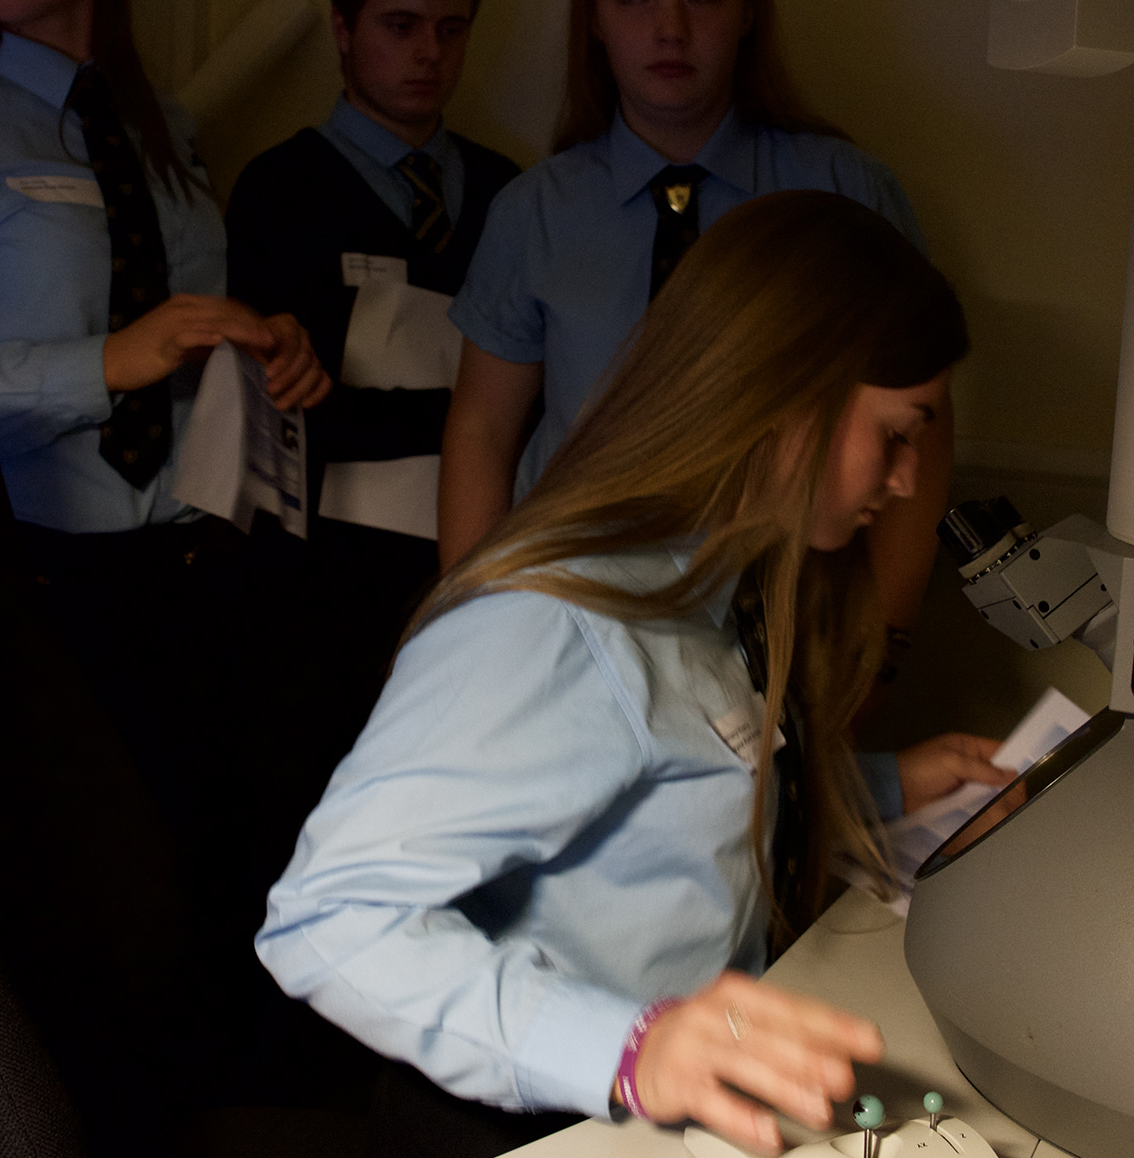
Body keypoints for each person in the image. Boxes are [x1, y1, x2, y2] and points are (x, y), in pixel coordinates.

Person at [259, 192, 1010, 1157]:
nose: (906, 480)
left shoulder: (715, 579)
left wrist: (894, 785)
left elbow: (674, 802)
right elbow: (327, 922)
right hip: (527, 1122)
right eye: (898, 434)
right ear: (789, 401)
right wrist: (631, 1049)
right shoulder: (554, 624)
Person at [0, 0, 328, 1133]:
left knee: (218, 884)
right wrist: (103, 362)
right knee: (109, 916)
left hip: (196, 557)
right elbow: (120, 342)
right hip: (49, 578)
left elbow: (178, 314)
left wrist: (264, 343)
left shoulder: (164, 125)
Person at [436, 0, 952, 655]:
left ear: (747, 14)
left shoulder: (846, 193)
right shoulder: (535, 211)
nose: (670, 29)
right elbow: (482, 430)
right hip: (573, 619)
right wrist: (471, 630)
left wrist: (884, 637)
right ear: (592, 18)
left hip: (782, 622)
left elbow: (919, 429)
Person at [223, 0, 521, 932]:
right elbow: (285, 407)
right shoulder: (279, 187)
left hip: (474, 563)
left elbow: (546, 397)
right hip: (324, 580)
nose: (429, 53)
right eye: (400, 24)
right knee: (319, 827)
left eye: (451, 26)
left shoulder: (510, 193)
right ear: (342, 30)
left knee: (456, 830)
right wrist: (474, 406)